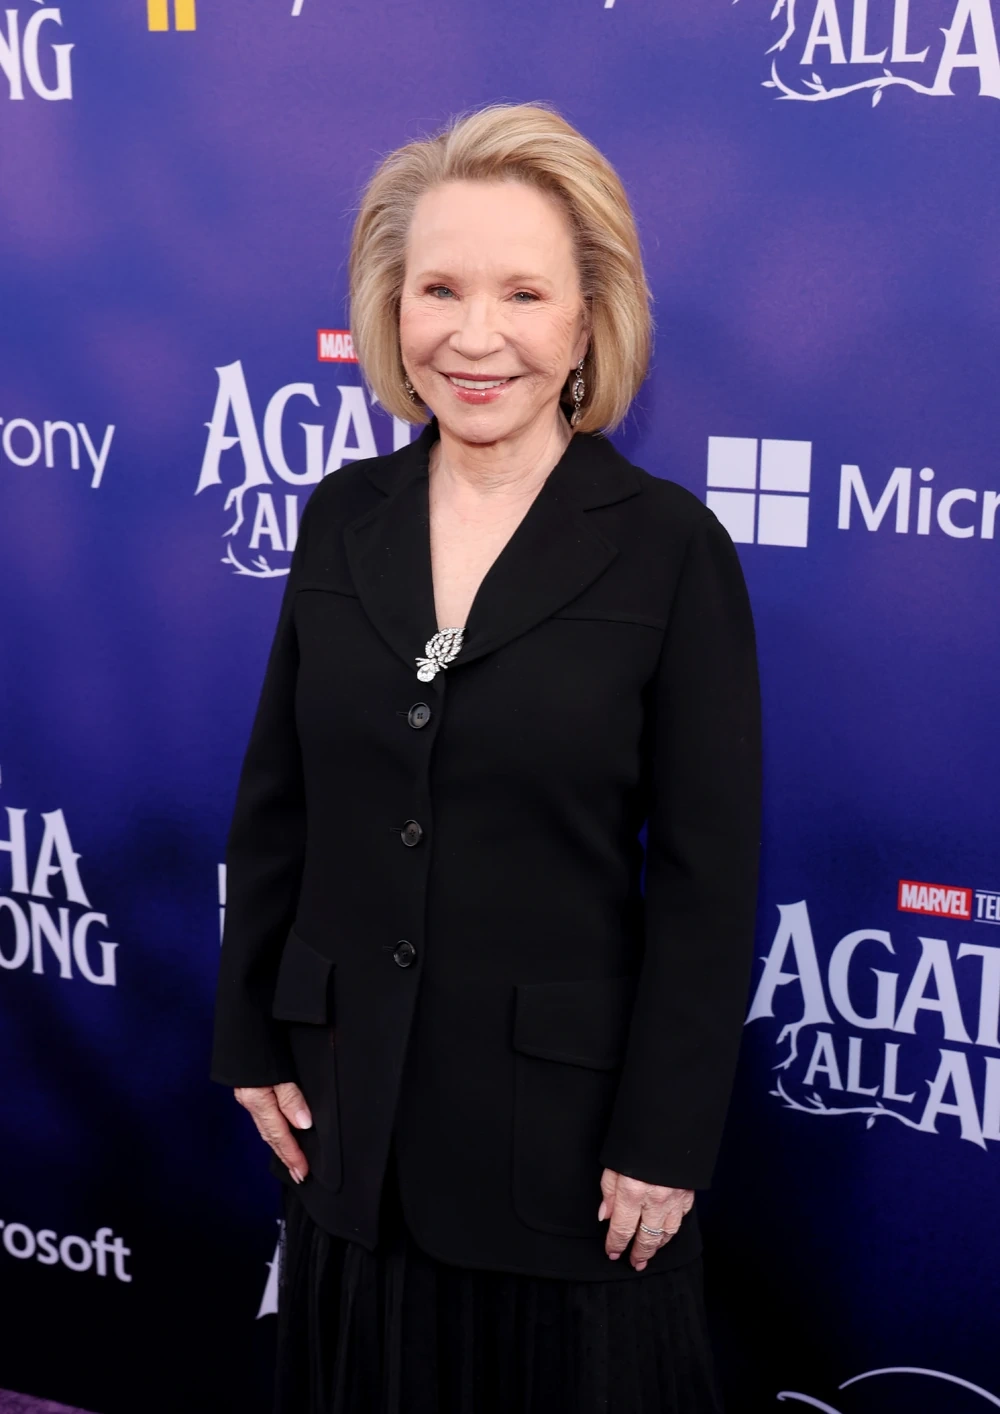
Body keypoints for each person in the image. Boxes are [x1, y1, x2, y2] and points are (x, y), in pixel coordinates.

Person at [211, 102, 761, 1414]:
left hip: (567, 1158)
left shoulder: (669, 550)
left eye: (523, 293)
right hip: (353, 1131)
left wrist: (665, 1135)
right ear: (390, 305)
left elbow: (708, 877)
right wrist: (248, 1029)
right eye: (439, 288)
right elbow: (278, 800)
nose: (474, 335)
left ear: (588, 320)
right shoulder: (342, 517)